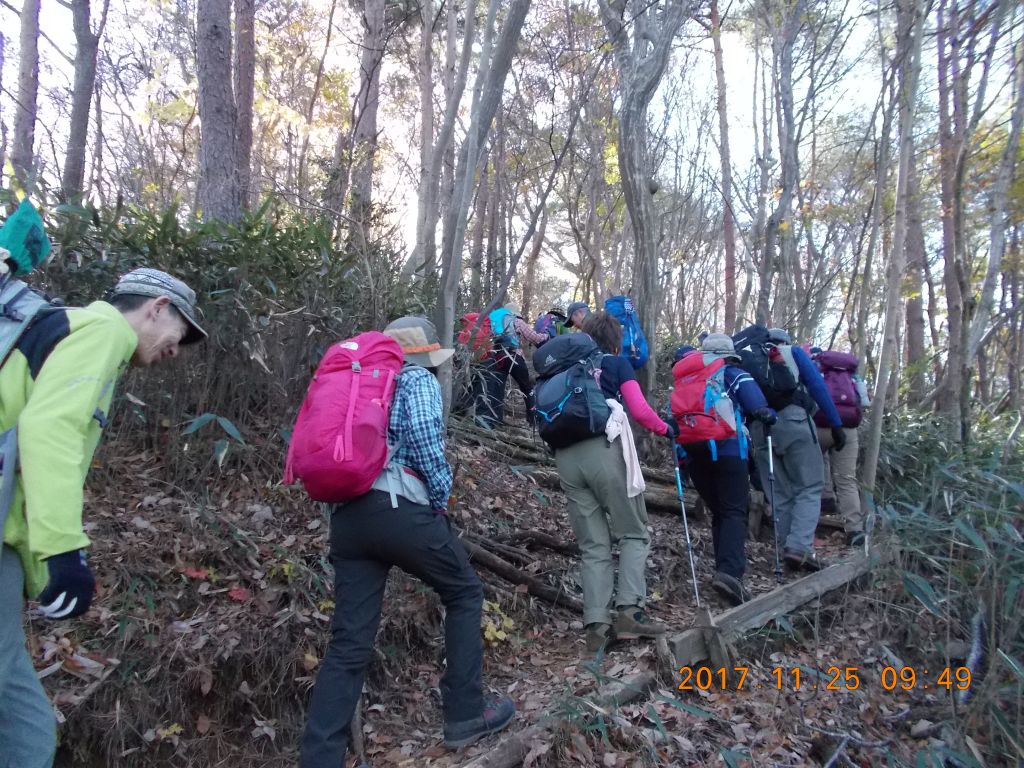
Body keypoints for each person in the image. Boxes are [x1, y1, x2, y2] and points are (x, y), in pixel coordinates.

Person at [1, 267, 207, 767]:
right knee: (20, 712)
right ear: (157, 308)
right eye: (178, 334)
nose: (175, 350)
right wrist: (63, 551)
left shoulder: (66, 329)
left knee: (21, 710)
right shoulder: (101, 333)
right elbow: (51, 430)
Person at [300, 316, 514, 765]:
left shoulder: (356, 380)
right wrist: (440, 499)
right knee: (464, 591)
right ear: (424, 354)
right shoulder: (415, 377)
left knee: (349, 642)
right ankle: (465, 715)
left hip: (349, 519)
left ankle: (319, 758)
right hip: (400, 510)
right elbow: (424, 441)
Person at [555, 311, 676, 654]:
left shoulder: (565, 367)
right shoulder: (616, 364)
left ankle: (596, 627)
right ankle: (629, 613)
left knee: (593, 544)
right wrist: (667, 430)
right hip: (604, 451)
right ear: (616, 340)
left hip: (565, 456)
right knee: (634, 532)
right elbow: (638, 409)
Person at [672, 335, 777, 605]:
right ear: (730, 354)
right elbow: (757, 405)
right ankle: (730, 574)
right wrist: (767, 415)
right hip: (729, 448)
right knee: (733, 511)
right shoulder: (734, 374)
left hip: (694, 453)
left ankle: (724, 572)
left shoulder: (686, 378)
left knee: (720, 511)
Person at [747, 328, 844, 571]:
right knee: (810, 486)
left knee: (779, 493)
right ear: (785, 342)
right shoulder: (793, 353)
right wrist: (835, 424)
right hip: (795, 423)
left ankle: (785, 550)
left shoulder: (747, 359)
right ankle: (799, 546)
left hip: (760, 429)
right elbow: (817, 387)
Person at [811, 348, 870, 546]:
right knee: (847, 480)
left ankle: (819, 507)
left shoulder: (815, 369)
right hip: (848, 429)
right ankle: (855, 530)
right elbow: (864, 401)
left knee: (810, 473)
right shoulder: (852, 375)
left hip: (819, 426)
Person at [476, 303, 546, 428]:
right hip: (514, 356)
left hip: (496, 357)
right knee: (527, 388)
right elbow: (534, 338)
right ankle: (534, 420)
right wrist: (546, 336)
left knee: (498, 388)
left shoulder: (493, 320)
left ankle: (494, 421)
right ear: (515, 313)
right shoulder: (516, 321)